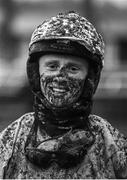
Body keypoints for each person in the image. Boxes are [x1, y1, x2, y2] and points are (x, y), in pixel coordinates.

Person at [0, 11, 127, 179]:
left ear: (90, 78)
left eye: (73, 69)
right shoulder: (11, 140)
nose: (60, 77)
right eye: (52, 66)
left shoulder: (110, 143)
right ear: (36, 73)